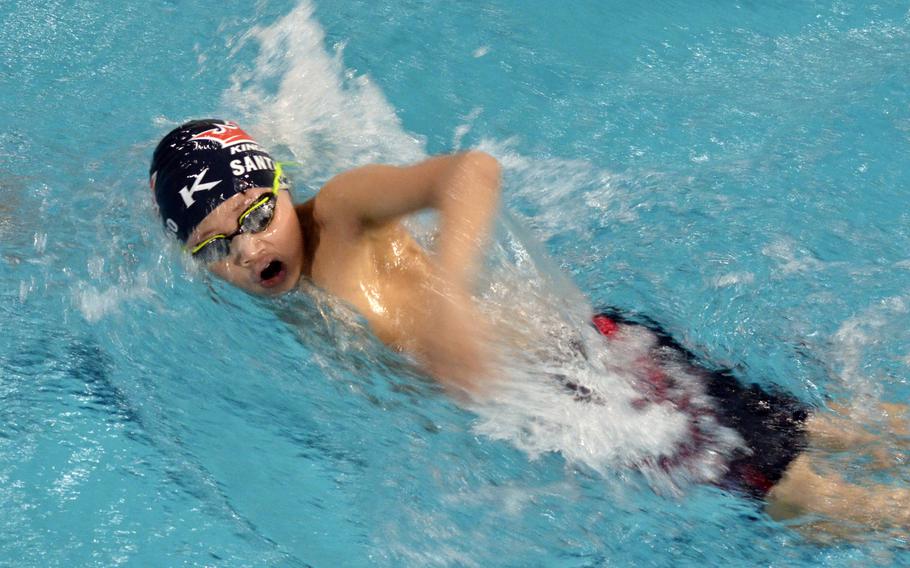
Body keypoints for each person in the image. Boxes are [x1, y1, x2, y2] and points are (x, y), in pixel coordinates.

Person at [149, 118, 908, 533]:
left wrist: (448, 300)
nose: (248, 249)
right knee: (835, 433)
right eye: (217, 244)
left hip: (588, 371)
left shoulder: (343, 212)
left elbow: (469, 172)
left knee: (813, 507)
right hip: (576, 392)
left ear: (282, 184)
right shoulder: (271, 290)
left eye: (255, 215)